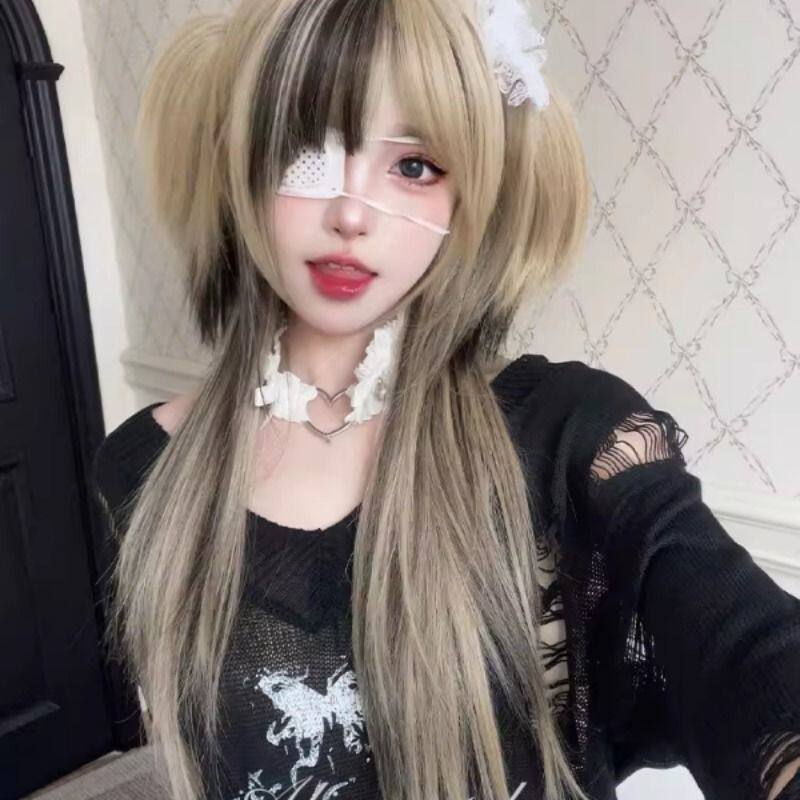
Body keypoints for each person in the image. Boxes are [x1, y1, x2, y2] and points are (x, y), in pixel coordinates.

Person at [90, 0, 800, 798]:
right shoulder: (143, 469)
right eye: (304, 148)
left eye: (416, 166)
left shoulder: (571, 434)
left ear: (469, 198)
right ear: (242, 165)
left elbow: (746, 647)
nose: (350, 214)